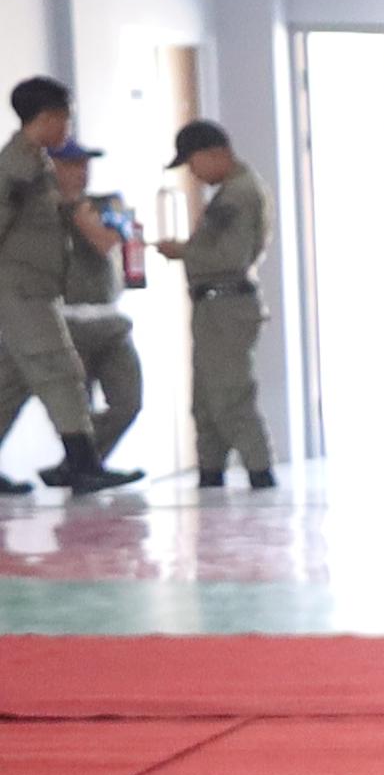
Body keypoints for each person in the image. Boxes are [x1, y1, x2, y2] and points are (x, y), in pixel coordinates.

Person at [0, 77, 131, 493]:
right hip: (21, 291)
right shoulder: (16, 168)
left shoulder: (36, 164)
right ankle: (83, 465)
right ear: (47, 117)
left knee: (10, 381)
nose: (67, 128)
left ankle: (82, 464)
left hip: (35, 290)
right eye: (65, 118)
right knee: (59, 371)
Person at [155, 119, 278, 488]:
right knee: (207, 400)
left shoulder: (238, 194)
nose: (193, 173)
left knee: (230, 395)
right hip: (214, 307)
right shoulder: (233, 190)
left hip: (227, 306)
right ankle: (211, 472)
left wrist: (183, 251)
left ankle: (259, 471)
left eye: (193, 163)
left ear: (216, 153)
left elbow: (230, 256)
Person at [47, 141, 142, 475]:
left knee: (128, 401)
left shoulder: (104, 205)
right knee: (76, 407)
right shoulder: (39, 212)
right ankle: (83, 469)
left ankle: (76, 466)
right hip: (65, 321)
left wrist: (75, 206)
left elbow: (106, 241)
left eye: (84, 164)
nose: (81, 172)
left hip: (108, 319)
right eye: (71, 165)